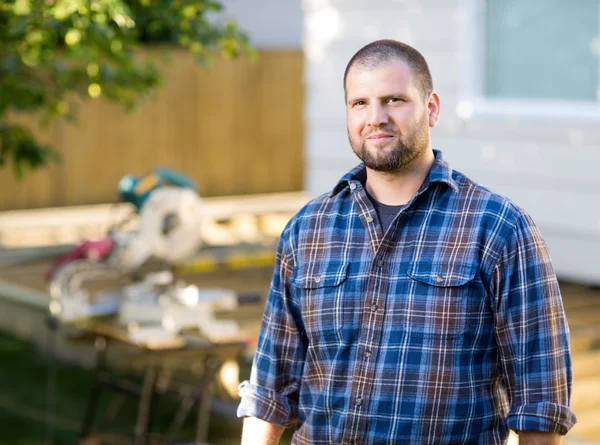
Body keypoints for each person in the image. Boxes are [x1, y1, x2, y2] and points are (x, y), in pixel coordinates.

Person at [237, 39, 577, 445]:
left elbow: (540, 402)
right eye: (359, 103)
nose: (375, 117)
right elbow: (270, 388)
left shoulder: (499, 228)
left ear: (431, 108)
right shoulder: (307, 229)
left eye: (394, 99)